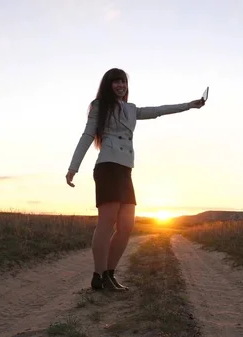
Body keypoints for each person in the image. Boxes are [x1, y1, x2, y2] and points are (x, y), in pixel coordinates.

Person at [65, 68, 206, 291]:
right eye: (116, 82)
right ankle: (98, 275)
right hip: (108, 167)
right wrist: (73, 167)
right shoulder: (99, 106)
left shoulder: (130, 109)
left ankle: (110, 274)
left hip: (125, 169)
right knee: (106, 222)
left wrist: (189, 105)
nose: (121, 85)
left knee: (126, 225)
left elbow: (159, 110)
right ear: (108, 85)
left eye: (123, 82)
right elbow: (87, 136)